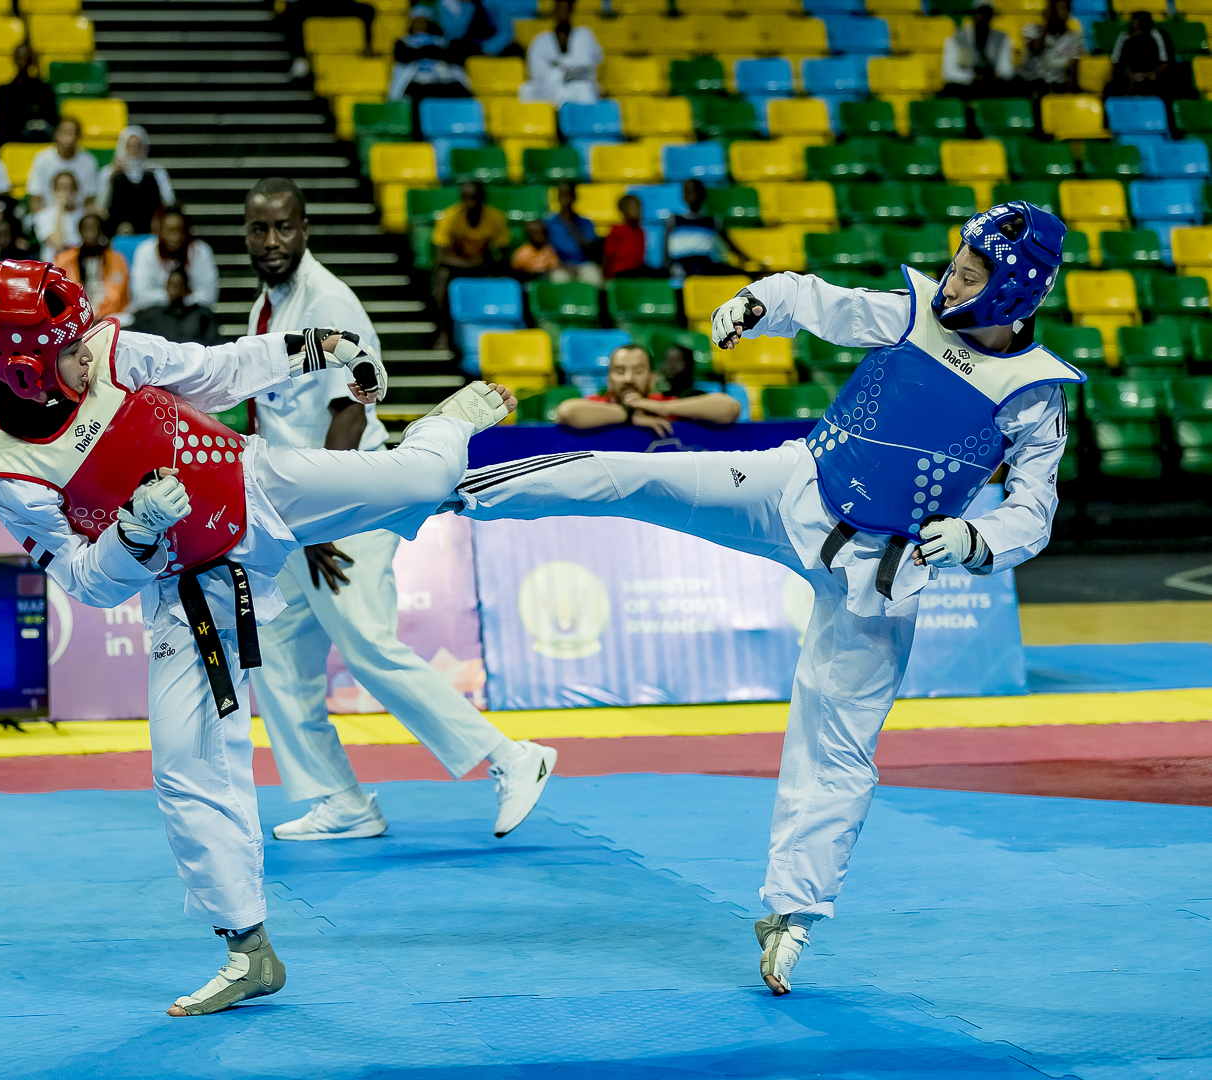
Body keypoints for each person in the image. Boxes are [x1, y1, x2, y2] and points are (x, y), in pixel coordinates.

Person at [449, 201, 1082, 997]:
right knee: (638, 476)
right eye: (956, 260)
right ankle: (454, 493)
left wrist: (978, 539)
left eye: (971, 270)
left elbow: (1033, 508)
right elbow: (820, 301)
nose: (953, 275)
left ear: (1014, 291)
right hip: (794, 487)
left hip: (883, 574)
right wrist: (758, 302)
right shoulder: (914, 314)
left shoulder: (1034, 391)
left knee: (839, 748)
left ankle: (794, 916)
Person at [0, 256, 517, 1017]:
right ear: (24, 372)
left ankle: (452, 421)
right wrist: (131, 531)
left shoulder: (115, 353)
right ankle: (249, 950)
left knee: (416, 483)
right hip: (185, 586)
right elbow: (86, 583)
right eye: (69, 348)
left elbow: (216, 373)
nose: (89, 351)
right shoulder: (2, 466)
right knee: (183, 767)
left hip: (257, 486)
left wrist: (316, 345)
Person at [242, 176, 558, 842]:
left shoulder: (329, 301)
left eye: (284, 228)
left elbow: (351, 411)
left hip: (347, 499)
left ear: (306, 229)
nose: (271, 241)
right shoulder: (266, 304)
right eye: (259, 229)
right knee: (274, 652)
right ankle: (343, 801)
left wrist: (317, 516)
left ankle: (512, 758)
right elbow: (267, 405)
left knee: (371, 650)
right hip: (297, 513)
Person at [554, 343, 741, 435]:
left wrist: (663, 409)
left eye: (638, 371)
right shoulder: (598, 406)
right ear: (609, 380)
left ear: (652, 379)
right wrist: (629, 415)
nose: (629, 378)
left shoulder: (661, 405)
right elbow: (567, 413)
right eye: (620, 371)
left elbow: (730, 408)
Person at [431, 180, 509, 350]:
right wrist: (468, 264)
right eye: (466, 198)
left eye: (475, 198)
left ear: (482, 199)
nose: (471, 203)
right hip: (457, 267)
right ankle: (443, 333)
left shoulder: (495, 217)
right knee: (440, 282)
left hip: (483, 266)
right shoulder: (449, 217)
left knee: (507, 279)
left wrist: (491, 262)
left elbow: (502, 252)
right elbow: (441, 256)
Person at [130, 206, 219, 312]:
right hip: (156, 312)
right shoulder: (145, 251)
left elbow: (209, 296)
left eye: (179, 230)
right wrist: (171, 296)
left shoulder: (201, 251)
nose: (175, 237)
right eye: (170, 231)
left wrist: (182, 298)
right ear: (160, 231)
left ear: (186, 231)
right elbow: (141, 296)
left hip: (191, 312)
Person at [518, 0, 602, 106]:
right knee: (527, 89)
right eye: (559, 9)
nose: (562, 13)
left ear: (571, 11)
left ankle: (582, 121)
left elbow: (586, 65)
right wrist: (566, 69)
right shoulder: (541, 40)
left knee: (584, 89)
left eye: (565, 9)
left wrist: (556, 66)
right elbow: (537, 71)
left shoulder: (584, 35)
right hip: (550, 89)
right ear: (554, 10)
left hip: (578, 87)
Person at [97, 125, 175, 237]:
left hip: (149, 223)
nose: (134, 150)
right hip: (119, 226)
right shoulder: (108, 172)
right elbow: (100, 207)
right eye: (129, 146)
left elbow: (169, 201)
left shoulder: (156, 171)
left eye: (137, 146)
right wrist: (111, 178)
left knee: (148, 178)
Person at [388, 13, 474, 112]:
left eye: (423, 21)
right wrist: (431, 50)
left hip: (442, 83)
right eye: (417, 21)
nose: (420, 25)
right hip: (417, 84)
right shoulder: (403, 41)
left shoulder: (443, 41)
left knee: (461, 93)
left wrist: (423, 51)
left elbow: (454, 57)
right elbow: (403, 56)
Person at [56, 212, 131, 322]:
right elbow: (62, 295)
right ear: (80, 232)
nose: (91, 232)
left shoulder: (117, 259)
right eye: (86, 228)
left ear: (101, 231)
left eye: (95, 228)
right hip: (77, 315)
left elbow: (116, 296)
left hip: (110, 315)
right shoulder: (65, 260)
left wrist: (99, 315)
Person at [941, 1, 1014, 99]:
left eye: (987, 13)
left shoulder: (1002, 38)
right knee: (950, 90)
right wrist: (972, 77)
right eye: (980, 12)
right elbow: (948, 73)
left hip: (992, 85)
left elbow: (1006, 71)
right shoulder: (956, 38)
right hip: (965, 85)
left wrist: (990, 78)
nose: (983, 17)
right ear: (972, 14)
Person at [131, 268, 222, 346]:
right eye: (171, 284)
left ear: (186, 288)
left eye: (178, 285)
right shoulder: (151, 315)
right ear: (166, 286)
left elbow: (213, 343)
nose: (174, 290)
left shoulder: (202, 316)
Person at [0, 42, 59, 148]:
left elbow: (52, 120)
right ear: (14, 59)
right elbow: (1, 124)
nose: (22, 62)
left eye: (26, 58)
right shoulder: (3, 91)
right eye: (20, 57)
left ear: (31, 61)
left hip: (39, 137)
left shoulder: (43, 89)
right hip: (11, 138)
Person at [667, 178, 736, 281]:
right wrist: (668, 268)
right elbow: (665, 253)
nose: (693, 195)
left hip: (705, 265)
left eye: (696, 191)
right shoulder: (674, 220)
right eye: (688, 191)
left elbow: (730, 245)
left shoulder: (712, 221)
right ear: (683, 195)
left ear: (703, 195)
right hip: (682, 266)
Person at [25, 117, 98, 214]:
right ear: (56, 134)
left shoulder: (89, 161)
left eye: (72, 133)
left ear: (78, 136)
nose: (67, 138)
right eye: (64, 132)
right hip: (47, 216)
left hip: (78, 217)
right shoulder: (42, 159)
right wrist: (43, 221)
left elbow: (89, 201)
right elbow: (36, 200)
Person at [1106, 10, 1179, 101]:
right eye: (1135, 25)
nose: (1136, 29)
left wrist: (1147, 75)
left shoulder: (1156, 36)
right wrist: (1129, 77)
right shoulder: (1124, 36)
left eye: (1139, 26)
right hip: (1129, 77)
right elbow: (1115, 64)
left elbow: (1164, 64)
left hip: (1151, 76)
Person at [1017, 0, 1083, 96]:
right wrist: (1048, 22)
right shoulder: (1032, 29)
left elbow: (1073, 70)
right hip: (1031, 82)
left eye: (1066, 9)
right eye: (1057, 9)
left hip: (1058, 85)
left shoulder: (1073, 37)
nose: (1062, 12)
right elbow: (1036, 49)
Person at [545, 181, 601, 275]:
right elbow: (547, 250)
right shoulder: (549, 223)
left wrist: (569, 223)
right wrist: (561, 265)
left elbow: (589, 249)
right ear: (557, 198)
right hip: (560, 265)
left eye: (568, 195)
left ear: (575, 197)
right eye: (562, 195)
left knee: (593, 277)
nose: (565, 199)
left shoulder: (586, 223)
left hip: (584, 264)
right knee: (559, 279)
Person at [602, 193, 657, 280]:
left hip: (638, 270)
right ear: (623, 210)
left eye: (639, 207)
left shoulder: (640, 232)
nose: (638, 211)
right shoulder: (616, 230)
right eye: (633, 208)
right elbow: (608, 255)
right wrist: (607, 276)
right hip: (621, 271)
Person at [33, 172, 85, 263]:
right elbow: (58, 243)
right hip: (53, 266)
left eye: (70, 187)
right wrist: (60, 207)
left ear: (76, 191)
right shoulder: (43, 216)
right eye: (61, 188)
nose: (66, 192)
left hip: (78, 265)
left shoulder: (84, 216)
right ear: (54, 191)